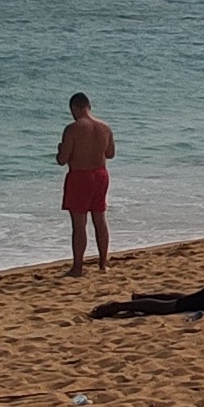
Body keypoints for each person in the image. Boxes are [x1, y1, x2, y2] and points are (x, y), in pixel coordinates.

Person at [57, 92, 116, 272]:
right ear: (89, 106)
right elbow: (110, 154)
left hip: (80, 176)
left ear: (75, 108)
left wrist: (60, 149)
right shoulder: (105, 127)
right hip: (101, 174)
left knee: (79, 224)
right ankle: (103, 264)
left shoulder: (73, 129)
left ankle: (77, 267)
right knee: (100, 219)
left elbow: (62, 159)